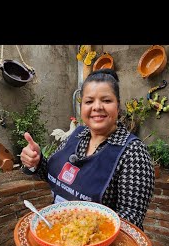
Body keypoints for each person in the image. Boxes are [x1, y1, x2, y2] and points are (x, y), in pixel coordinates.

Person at [20, 69, 154, 230]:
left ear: (118, 106)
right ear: (82, 106)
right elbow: (53, 177)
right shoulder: (77, 135)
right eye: (89, 101)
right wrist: (36, 161)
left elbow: (132, 218)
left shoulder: (133, 152)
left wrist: (82, 230)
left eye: (106, 100)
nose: (97, 107)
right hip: (56, 231)